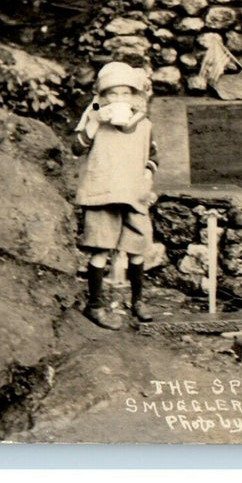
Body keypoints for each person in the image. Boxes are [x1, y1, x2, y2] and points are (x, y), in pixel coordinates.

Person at [72, 62, 158, 329]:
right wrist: (94, 122)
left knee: (137, 249)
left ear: (134, 95)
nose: (119, 99)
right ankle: (95, 305)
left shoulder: (143, 123)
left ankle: (138, 301)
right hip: (103, 192)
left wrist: (147, 176)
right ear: (102, 95)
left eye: (125, 93)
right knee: (100, 249)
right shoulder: (95, 114)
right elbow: (76, 148)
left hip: (133, 194)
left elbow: (152, 156)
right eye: (113, 93)